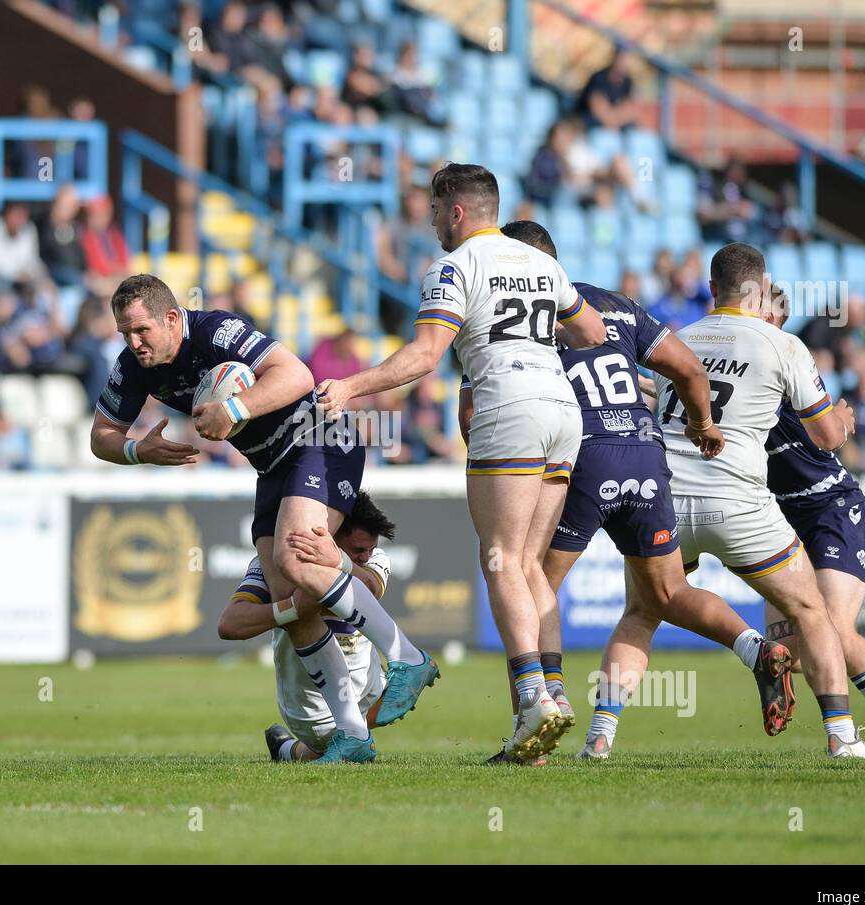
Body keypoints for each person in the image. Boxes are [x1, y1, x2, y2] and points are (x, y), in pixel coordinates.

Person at [462, 220, 795, 763]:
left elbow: (470, 414)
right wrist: (702, 423)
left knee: (528, 577)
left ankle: (542, 710)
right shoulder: (615, 305)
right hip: (644, 451)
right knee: (663, 594)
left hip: (581, 455)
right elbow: (687, 368)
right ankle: (754, 647)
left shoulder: (505, 312)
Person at [315, 163, 610, 761]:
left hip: (510, 408)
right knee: (530, 563)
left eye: (432, 209)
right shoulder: (542, 263)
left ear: (456, 211)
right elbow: (594, 332)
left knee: (500, 556)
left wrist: (350, 386)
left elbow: (425, 355)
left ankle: (533, 701)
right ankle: (551, 694)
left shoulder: (454, 266)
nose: (428, 220)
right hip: (563, 410)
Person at [88, 275, 437, 764]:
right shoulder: (135, 365)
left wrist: (233, 407)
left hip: (320, 439)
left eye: (141, 330)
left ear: (171, 318)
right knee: (289, 600)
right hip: (272, 466)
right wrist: (134, 449)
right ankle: (353, 735)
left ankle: (407, 657)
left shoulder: (214, 332)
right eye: (124, 332)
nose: (133, 342)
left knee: (296, 554)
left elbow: (294, 374)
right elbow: (100, 434)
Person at [650, 242, 865, 757]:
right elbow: (824, 436)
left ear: (711, 290)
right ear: (759, 290)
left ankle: (596, 735)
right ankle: (842, 738)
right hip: (740, 503)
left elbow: (661, 408)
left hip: (667, 500)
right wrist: (842, 422)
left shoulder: (676, 341)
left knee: (646, 607)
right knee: (811, 610)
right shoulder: (782, 345)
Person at [761, 288, 865, 755]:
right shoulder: (737, 361)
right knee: (793, 654)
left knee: (831, 627)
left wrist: (836, 419)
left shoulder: (787, 360)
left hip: (833, 506)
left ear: (771, 318)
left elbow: (829, 432)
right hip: (783, 517)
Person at [218, 491, 397, 760]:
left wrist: (337, 562)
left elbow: (369, 588)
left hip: (371, 690)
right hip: (314, 711)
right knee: (343, 750)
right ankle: (292, 749)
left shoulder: (372, 560)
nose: (366, 557)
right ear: (330, 536)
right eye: (359, 550)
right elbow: (230, 625)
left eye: (370, 549)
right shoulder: (276, 568)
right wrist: (290, 610)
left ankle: (290, 749)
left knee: (408, 684)